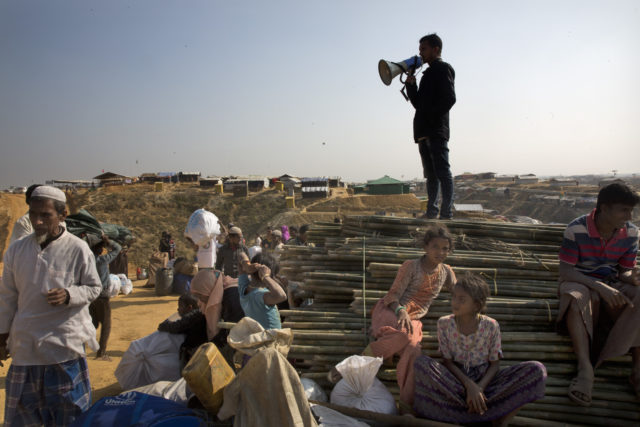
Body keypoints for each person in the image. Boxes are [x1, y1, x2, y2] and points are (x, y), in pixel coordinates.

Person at [0, 185, 102, 426]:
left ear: (62, 215)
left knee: (70, 419)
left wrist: (69, 294)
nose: (37, 221)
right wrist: (2, 335)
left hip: (64, 351)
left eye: (45, 215)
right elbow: (7, 297)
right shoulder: (17, 250)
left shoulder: (78, 249)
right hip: (25, 351)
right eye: (33, 214)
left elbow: (94, 287)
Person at [328, 224, 456, 407]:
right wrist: (400, 310)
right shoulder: (411, 266)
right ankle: (353, 365)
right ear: (425, 247)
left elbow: (457, 290)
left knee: (413, 349)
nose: (440, 252)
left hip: (413, 318)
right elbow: (392, 295)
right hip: (391, 311)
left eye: (445, 249)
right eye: (435, 247)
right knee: (404, 335)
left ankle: (406, 404)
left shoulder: (446, 272)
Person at [413, 274, 547, 425]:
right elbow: (447, 362)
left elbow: (494, 364)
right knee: (421, 363)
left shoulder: (491, 325)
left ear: (476, 305)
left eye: (462, 299)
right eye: (454, 297)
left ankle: (501, 421)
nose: (455, 302)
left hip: (487, 383)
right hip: (456, 383)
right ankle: (474, 413)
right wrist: (469, 385)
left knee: (537, 369)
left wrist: (479, 389)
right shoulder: (444, 323)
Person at [557, 182, 640, 406]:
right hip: (578, 279)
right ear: (604, 208)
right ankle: (585, 368)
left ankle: (637, 371)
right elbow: (566, 270)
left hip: (612, 281)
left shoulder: (631, 232)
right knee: (577, 297)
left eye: (631, 210)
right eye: (624, 209)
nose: (629, 215)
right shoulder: (577, 229)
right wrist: (600, 287)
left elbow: (624, 270)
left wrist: (631, 277)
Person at [405, 33, 456, 220]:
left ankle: (446, 214)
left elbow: (450, 98)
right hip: (424, 132)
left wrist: (432, 118)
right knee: (431, 176)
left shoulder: (443, 69)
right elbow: (419, 104)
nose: (421, 54)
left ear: (436, 49)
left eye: (423, 49)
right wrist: (411, 86)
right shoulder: (427, 74)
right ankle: (432, 212)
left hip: (435, 130)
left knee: (443, 172)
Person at [89, 233, 122, 361]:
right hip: (102, 297)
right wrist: (108, 241)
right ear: (100, 249)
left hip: (90, 297)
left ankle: (80, 346)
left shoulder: (85, 260)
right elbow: (118, 248)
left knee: (92, 323)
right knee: (106, 325)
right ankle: (101, 353)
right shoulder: (102, 261)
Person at [237, 253, 288, 329]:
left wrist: (247, 266)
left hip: (257, 336)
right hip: (270, 337)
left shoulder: (243, 287)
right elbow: (282, 296)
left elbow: (240, 255)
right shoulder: (261, 295)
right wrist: (266, 277)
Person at [158, 294, 208, 370]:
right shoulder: (201, 312)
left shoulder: (194, 316)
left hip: (194, 352)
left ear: (189, 308)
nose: (178, 309)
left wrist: (164, 324)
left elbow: (175, 327)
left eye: (180, 306)